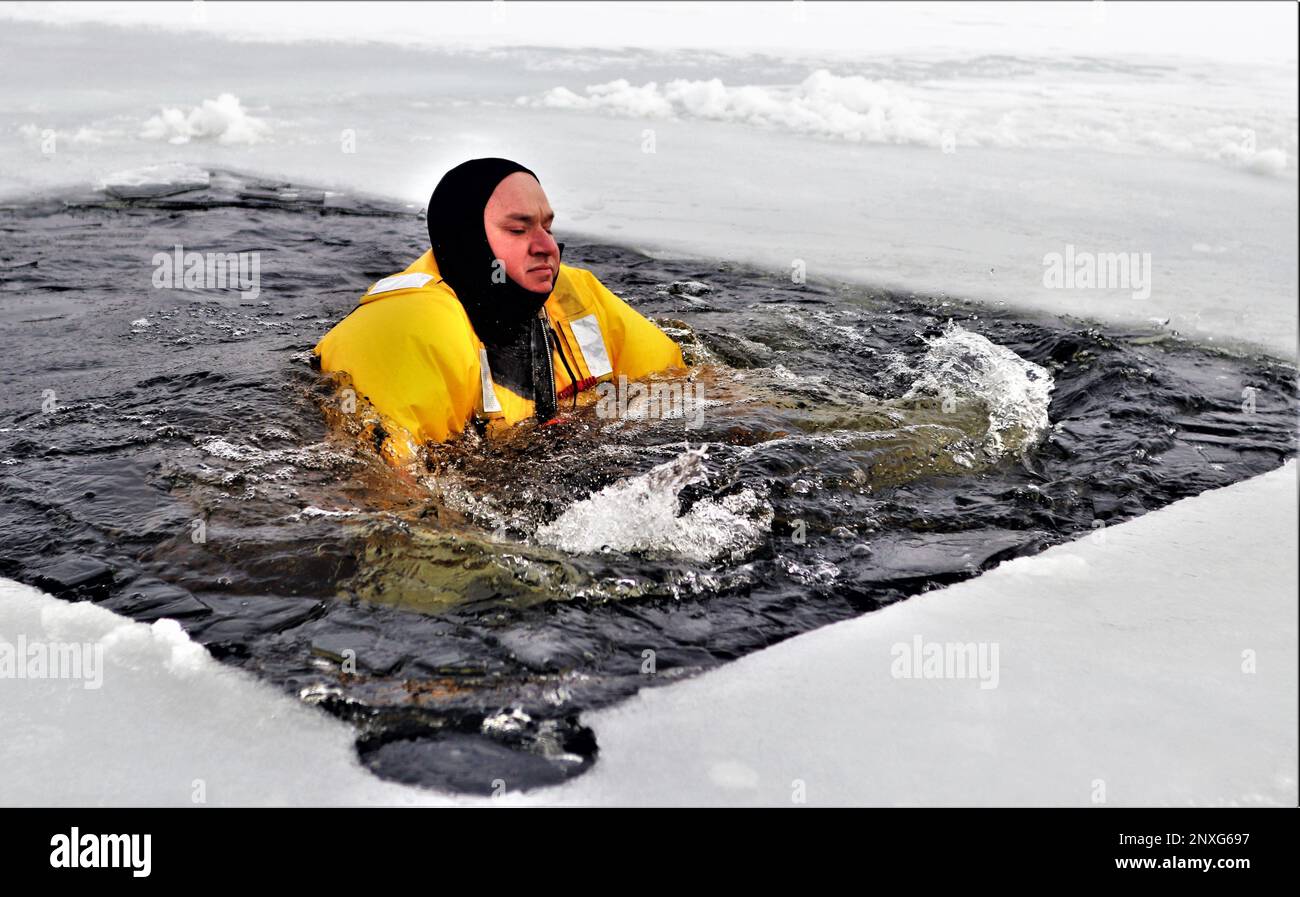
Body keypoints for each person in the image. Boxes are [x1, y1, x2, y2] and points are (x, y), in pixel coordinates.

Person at [313, 158, 685, 465]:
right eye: (518, 230)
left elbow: (689, 389)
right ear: (468, 239)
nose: (546, 247)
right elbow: (386, 495)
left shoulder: (575, 293)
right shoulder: (414, 326)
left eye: (547, 227)